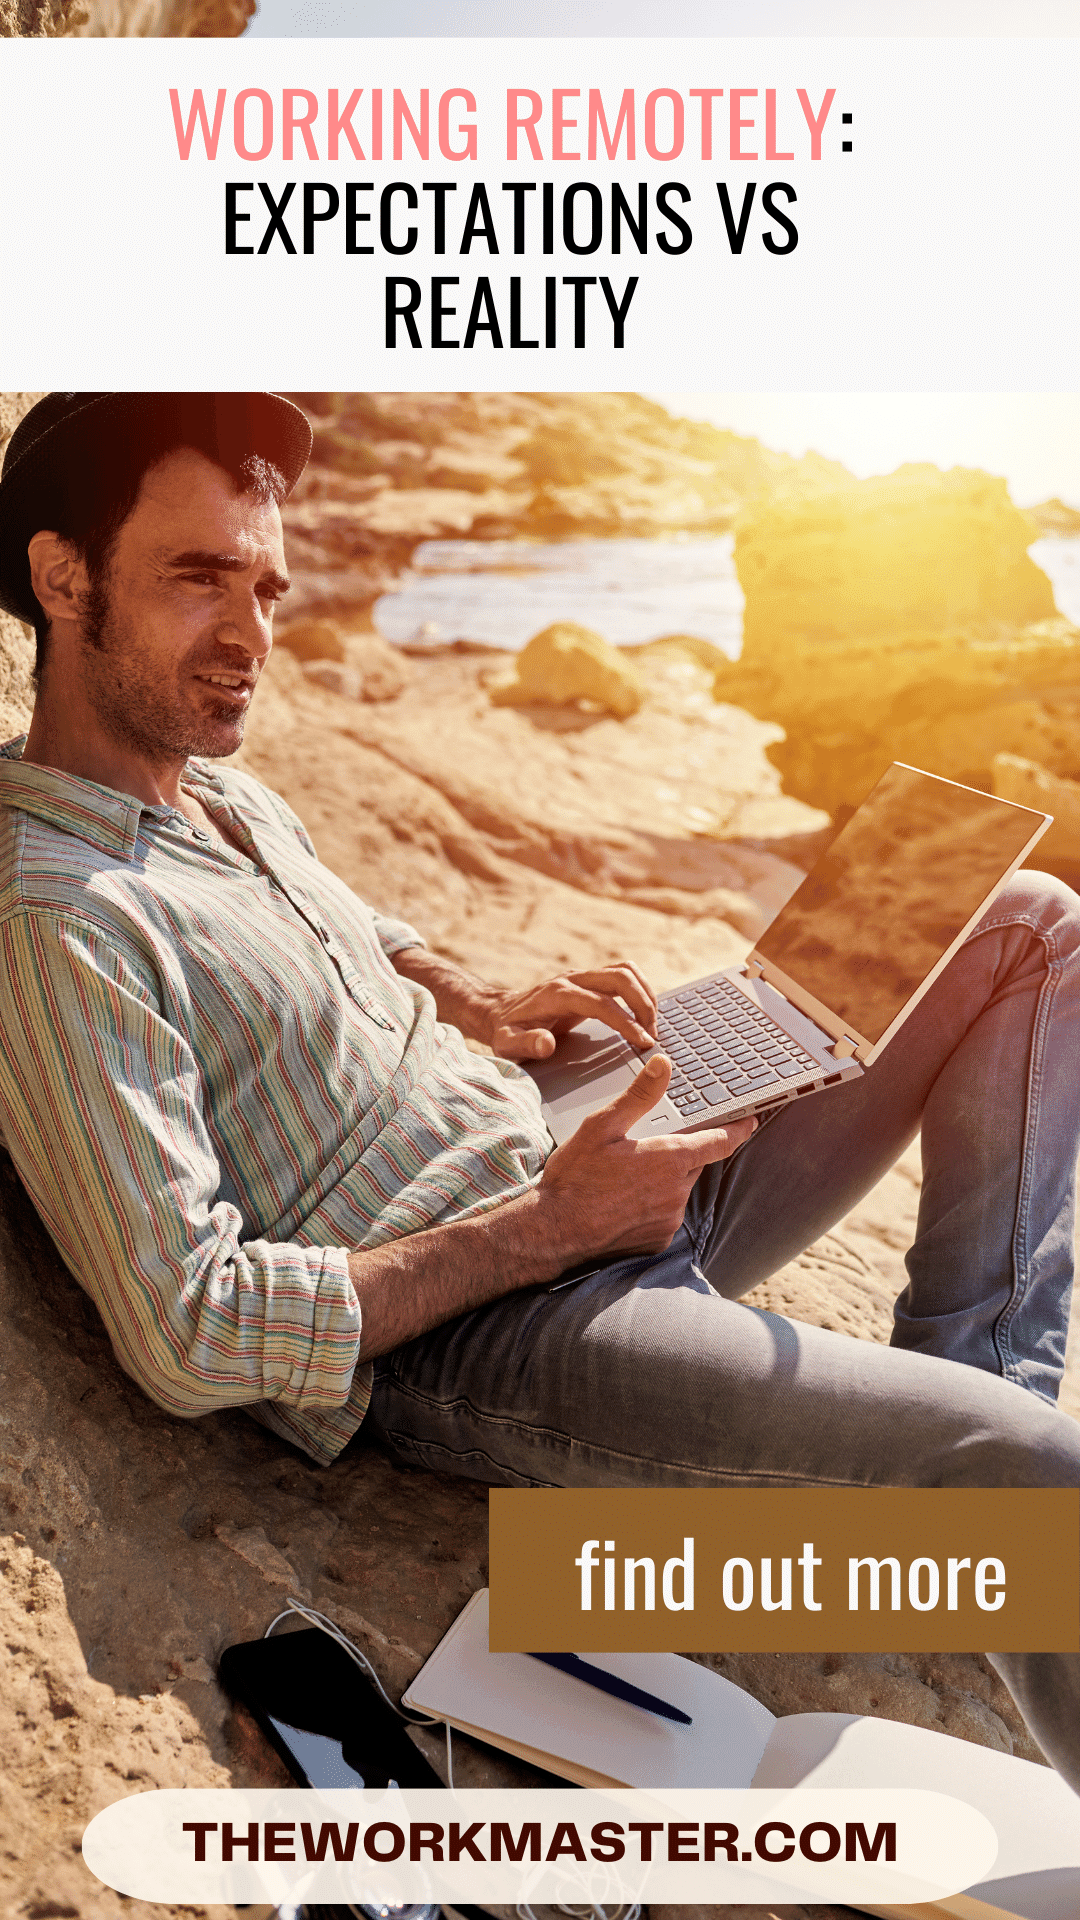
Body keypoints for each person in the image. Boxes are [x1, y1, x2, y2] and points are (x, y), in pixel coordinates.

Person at [0, 392, 1078, 1793]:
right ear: (61, 578)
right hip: (497, 1316)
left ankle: (964, 1422)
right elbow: (188, 1329)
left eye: (266, 584)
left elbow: (347, 927)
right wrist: (548, 1232)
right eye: (198, 578)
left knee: (1022, 921)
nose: (253, 635)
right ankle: (992, 1484)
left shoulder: (210, 790)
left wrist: (471, 991)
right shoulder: (58, 918)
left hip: (568, 1136)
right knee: (1043, 1484)